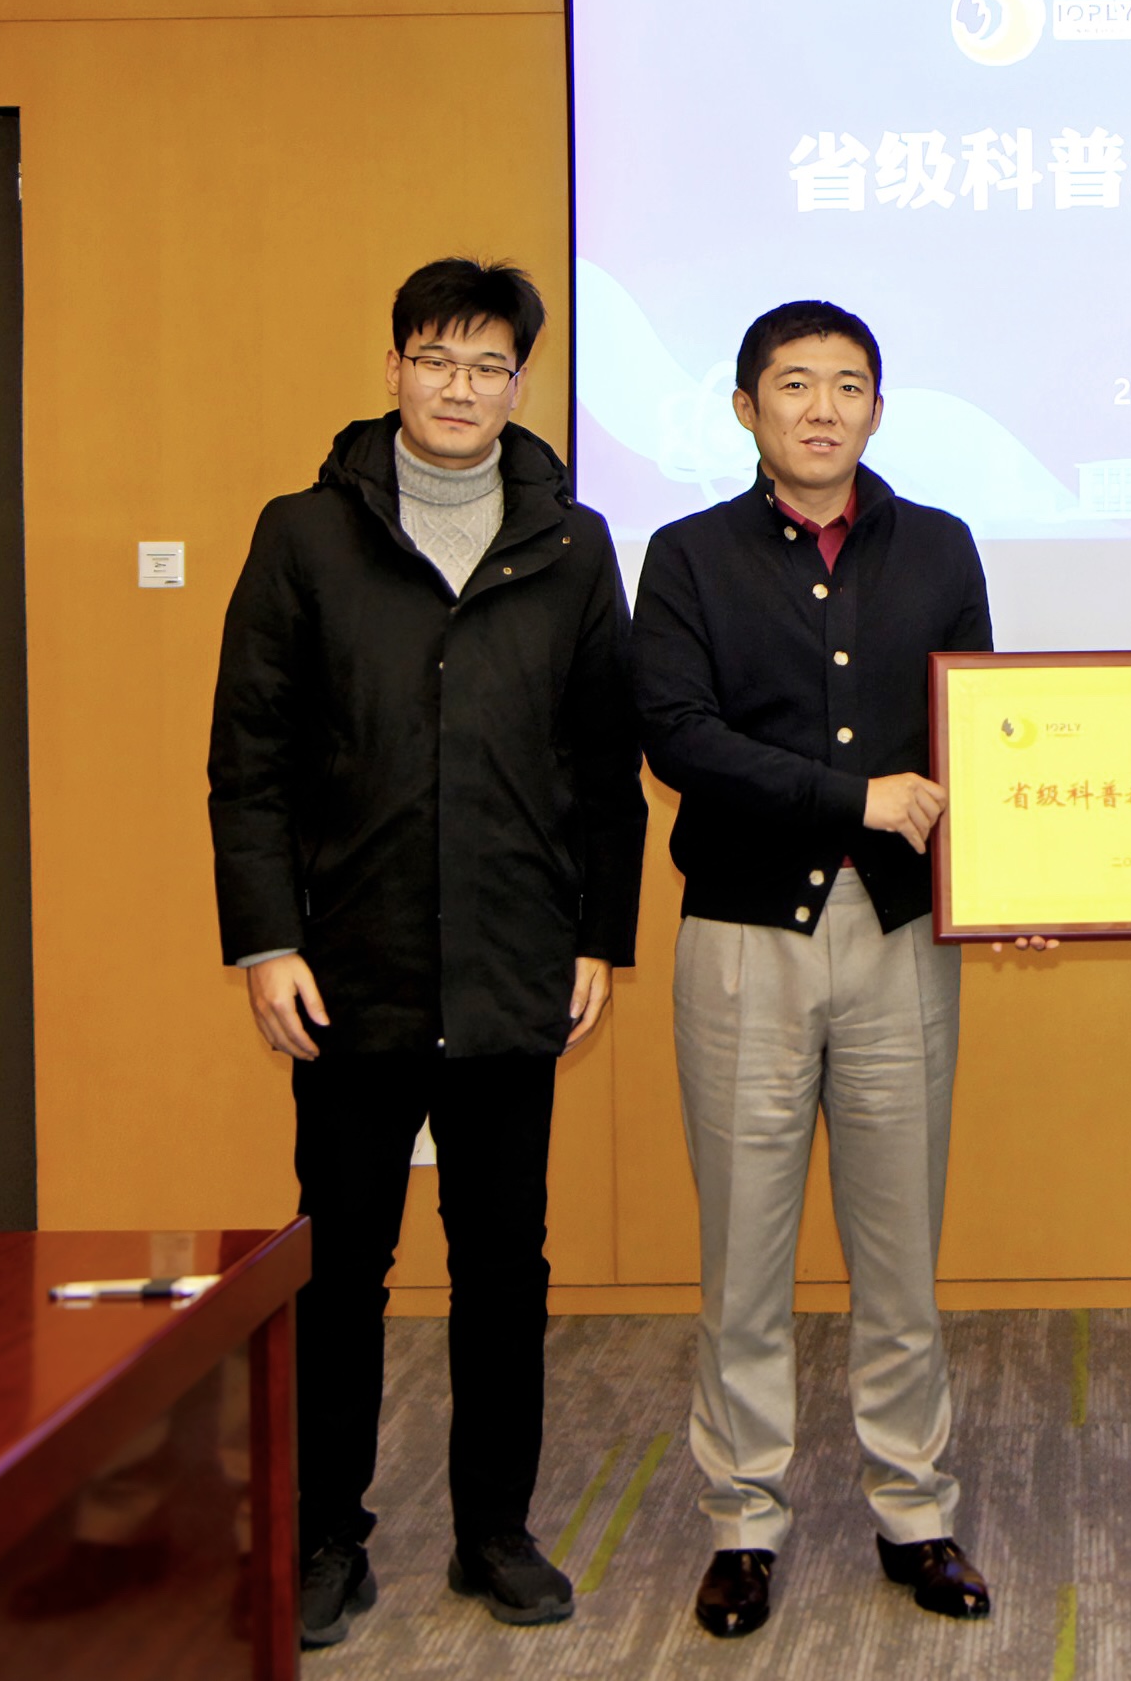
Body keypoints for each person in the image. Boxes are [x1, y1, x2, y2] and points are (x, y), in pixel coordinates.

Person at [208, 258, 647, 1649]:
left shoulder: (572, 545)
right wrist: (265, 939)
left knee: (504, 1265)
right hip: (350, 962)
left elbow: (606, 765)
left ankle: (493, 1531)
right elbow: (248, 762)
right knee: (342, 1263)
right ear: (394, 366)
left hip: (517, 963)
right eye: (436, 359)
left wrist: (600, 937)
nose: (461, 388)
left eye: (488, 366)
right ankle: (325, 1535)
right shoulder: (305, 534)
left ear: (520, 384)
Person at [632, 300, 1000, 1641]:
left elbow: (982, 731)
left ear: (878, 410)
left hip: (899, 934)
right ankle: (744, 1521)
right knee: (745, 1252)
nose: (823, 408)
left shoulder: (940, 546)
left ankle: (915, 1509)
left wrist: (1008, 875)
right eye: (794, 385)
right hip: (745, 935)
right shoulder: (687, 555)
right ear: (746, 409)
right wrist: (852, 798)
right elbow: (677, 735)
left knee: (899, 1248)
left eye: (849, 385)